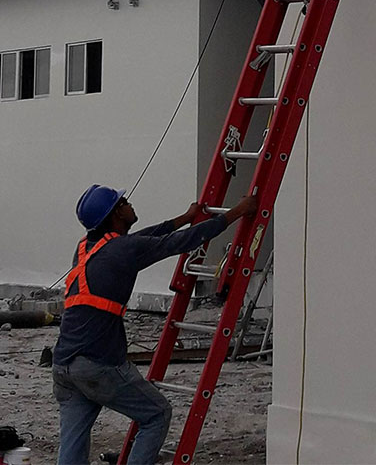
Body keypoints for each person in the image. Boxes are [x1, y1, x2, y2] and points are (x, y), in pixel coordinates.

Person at [51, 184, 259, 465]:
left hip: (64, 364)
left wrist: (184, 218)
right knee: (156, 415)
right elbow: (186, 241)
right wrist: (238, 211)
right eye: (124, 202)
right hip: (97, 364)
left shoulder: (86, 249)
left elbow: (146, 237)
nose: (129, 204)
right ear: (115, 214)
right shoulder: (125, 249)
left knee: (72, 444)